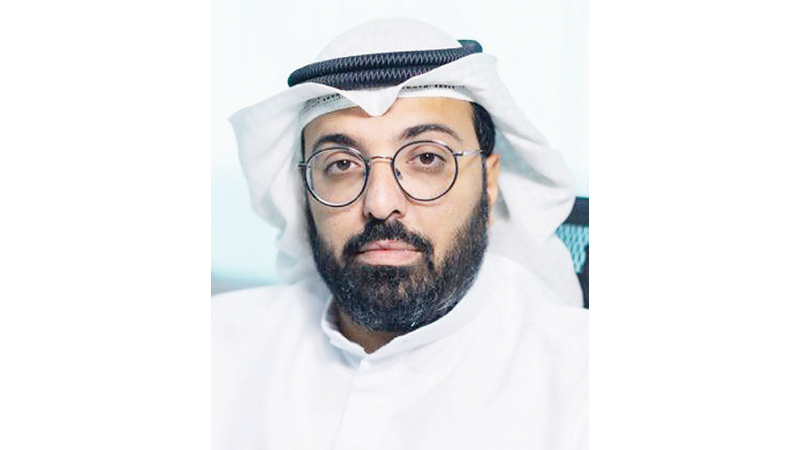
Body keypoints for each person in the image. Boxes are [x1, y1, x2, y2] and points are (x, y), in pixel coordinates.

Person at [212, 18, 588, 449]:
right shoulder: (217, 348)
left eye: (427, 158)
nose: (380, 203)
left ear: (489, 183)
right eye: (341, 164)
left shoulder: (580, 381)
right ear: (306, 192)